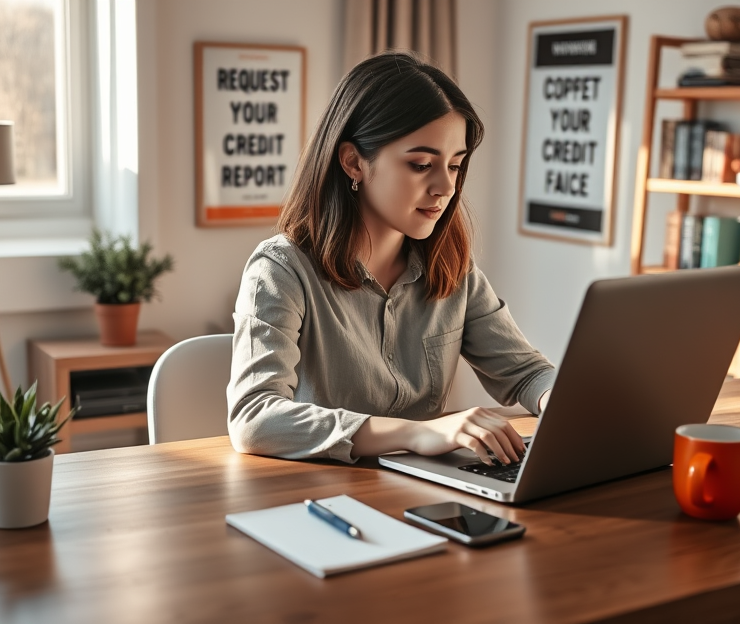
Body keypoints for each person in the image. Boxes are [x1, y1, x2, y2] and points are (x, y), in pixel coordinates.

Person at [227, 51, 554, 467]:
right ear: (353, 162)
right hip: (321, 499)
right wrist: (417, 433)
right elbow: (253, 418)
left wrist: (560, 399)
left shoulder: (452, 266)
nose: (445, 187)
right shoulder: (280, 269)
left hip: (426, 490)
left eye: (455, 166)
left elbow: (526, 373)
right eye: (421, 165)